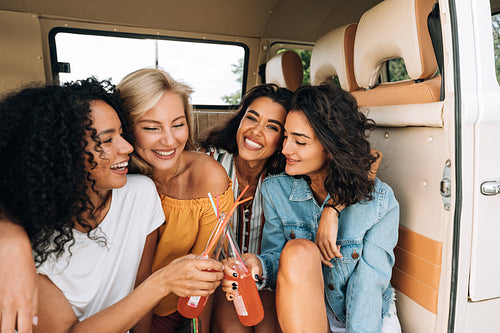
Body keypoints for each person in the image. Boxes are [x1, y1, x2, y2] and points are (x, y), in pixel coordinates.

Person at [0, 79, 224, 333]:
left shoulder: (140, 194)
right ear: (63, 154)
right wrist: (163, 282)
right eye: (106, 141)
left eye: (121, 133)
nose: (127, 147)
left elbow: (140, 288)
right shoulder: (25, 243)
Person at [223, 83, 401, 332]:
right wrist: (259, 266)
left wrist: (332, 209)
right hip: (304, 313)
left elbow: (368, 288)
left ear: (330, 148)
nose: (285, 149)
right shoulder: (277, 190)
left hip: (363, 319)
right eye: (285, 136)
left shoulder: (380, 203)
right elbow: (277, 262)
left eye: (300, 142)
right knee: (298, 251)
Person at [117, 68, 234, 333]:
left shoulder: (208, 178)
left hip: (170, 312)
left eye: (178, 124)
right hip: (114, 309)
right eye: (151, 127)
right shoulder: (117, 180)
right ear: (125, 129)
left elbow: (204, 274)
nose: (169, 140)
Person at [199, 84, 293, 332]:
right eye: (251, 118)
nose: (256, 131)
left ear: (285, 138)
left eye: (272, 127)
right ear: (239, 121)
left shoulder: (287, 180)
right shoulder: (207, 162)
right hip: (219, 280)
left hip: (265, 279)